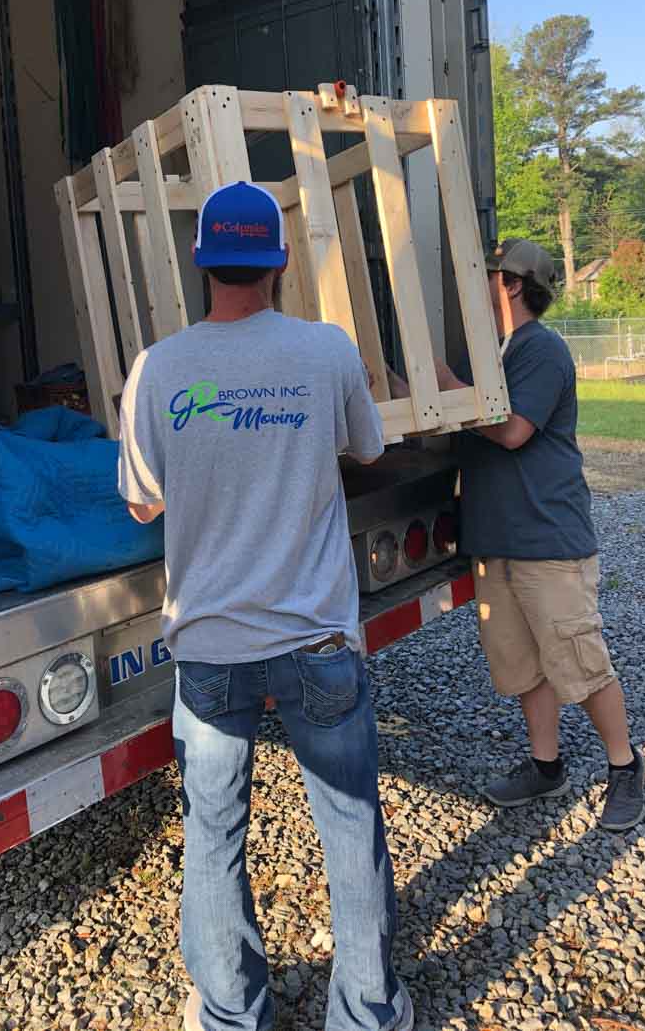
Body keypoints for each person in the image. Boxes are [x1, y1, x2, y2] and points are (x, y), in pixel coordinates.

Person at [118, 180, 413, 1031]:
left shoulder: (158, 367)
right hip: (318, 637)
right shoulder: (326, 351)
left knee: (213, 836)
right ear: (279, 263)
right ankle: (364, 1013)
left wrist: (207, 465)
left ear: (203, 261)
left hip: (210, 646)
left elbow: (142, 503)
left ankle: (229, 1015)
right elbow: (366, 445)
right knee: (350, 826)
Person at [391, 237, 645, 832]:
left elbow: (511, 432)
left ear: (511, 284)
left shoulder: (540, 351)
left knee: (581, 665)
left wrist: (451, 386)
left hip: (548, 542)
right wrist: (399, 386)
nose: (481, 286)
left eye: (489, 276)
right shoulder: (502, 354)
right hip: (498, 543)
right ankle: (545, 765)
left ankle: (626, 767)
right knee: (522, 666)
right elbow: (453, 420)